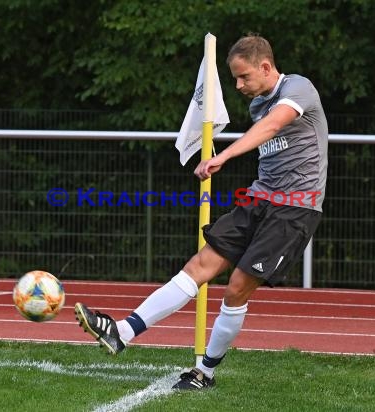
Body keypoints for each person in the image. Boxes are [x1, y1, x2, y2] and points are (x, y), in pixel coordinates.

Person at [74, 33, 328, 390]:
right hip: (259, 199)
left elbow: (272, 125)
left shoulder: (299, 89)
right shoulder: (257, 103)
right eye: (235, 78)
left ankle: (204, 372)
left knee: (237, 287)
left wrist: (222, 155)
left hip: (294, 210)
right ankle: (122, 332)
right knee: (199, 266)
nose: (238, 85)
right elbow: (264, 125)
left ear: (266, 67)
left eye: (244, 77)